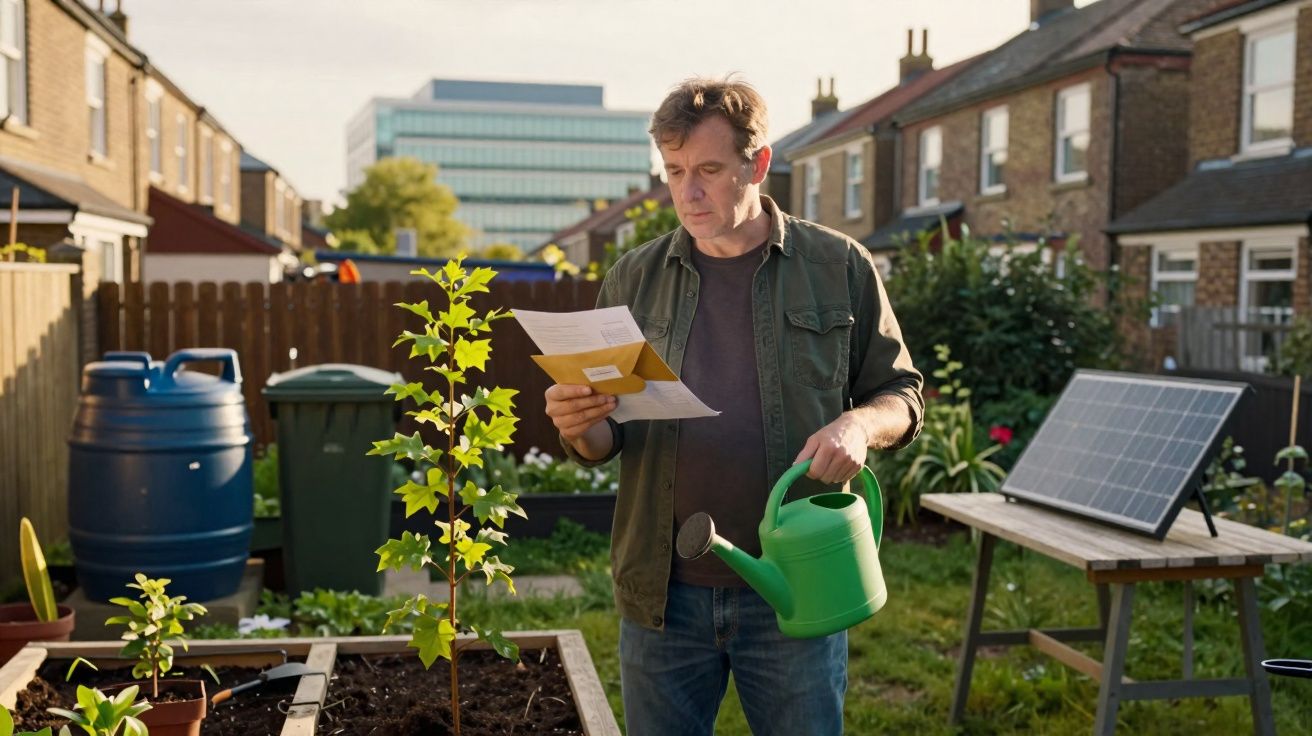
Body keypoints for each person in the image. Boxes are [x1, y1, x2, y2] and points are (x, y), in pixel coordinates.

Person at [543, 77, 924, 736]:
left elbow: (902, 395)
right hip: (664, 596)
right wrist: (582, 427)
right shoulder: (633, 279)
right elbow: (606, 441)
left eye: (710, 171)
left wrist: (859, 424)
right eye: (675, 171)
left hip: (798, 586)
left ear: (759, 164)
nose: (687, 193)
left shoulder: (838, 265)